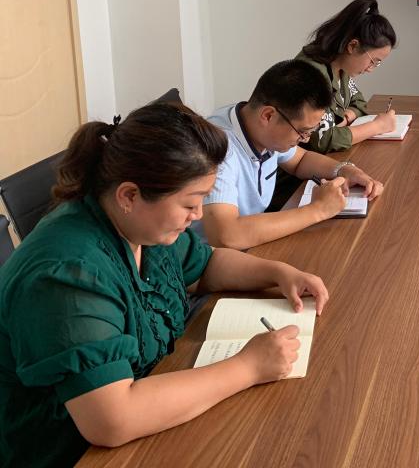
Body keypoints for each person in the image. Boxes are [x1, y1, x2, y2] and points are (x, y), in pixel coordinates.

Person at [0, 102, 330, 468]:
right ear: (130, 195)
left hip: (149, 400)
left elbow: (205, 266)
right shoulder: (68, 277)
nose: (198, 215)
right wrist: (248, 367)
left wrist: (277, 272)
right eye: (190, 204)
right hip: (71, 452)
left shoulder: (139, 225)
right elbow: (113, 420)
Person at [200, 60, 384, 250]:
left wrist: (344, 170)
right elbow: (226, 236)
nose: (306, 139)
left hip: (251, 241)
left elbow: (301, 160)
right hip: (208, 258)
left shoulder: (258, 125)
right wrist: (318, 210)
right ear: (268, 116)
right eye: (302, 132)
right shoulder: (217, 149)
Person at [296, 0, 398, 152]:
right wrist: (378, 126)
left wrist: (345, 118)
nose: (370, 69)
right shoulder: (312, 75)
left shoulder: (340, 67)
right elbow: (323, 140)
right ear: (353, 46)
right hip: (298, 164)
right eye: (373, 61)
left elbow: (359, 103)